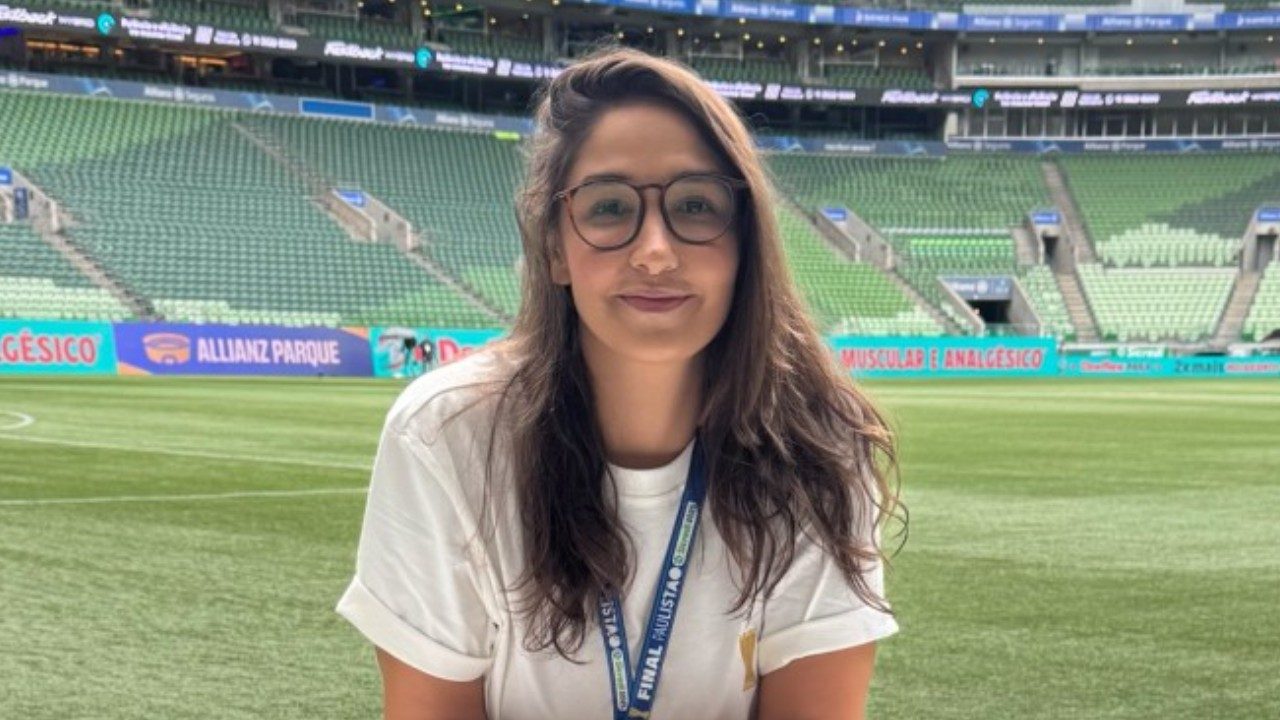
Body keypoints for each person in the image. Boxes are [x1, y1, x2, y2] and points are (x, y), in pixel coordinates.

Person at [335, 45, 907, 720]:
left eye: (695, 205)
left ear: (745, 242)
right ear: (555, 248)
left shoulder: (818, 444)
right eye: (609, 208)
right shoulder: (446, 434)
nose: (656, 250)